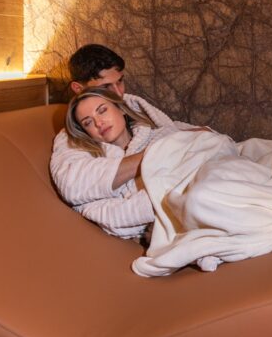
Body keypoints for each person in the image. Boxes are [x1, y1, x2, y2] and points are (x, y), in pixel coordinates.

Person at [49, 44, 197, 239]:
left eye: (120, 81)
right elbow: (74, 183)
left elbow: (167, 129)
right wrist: (160, 153)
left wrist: (195, 136)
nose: (118, 93)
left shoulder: (133, 109)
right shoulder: (73, 138)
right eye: (105, 87)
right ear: (78, 88)